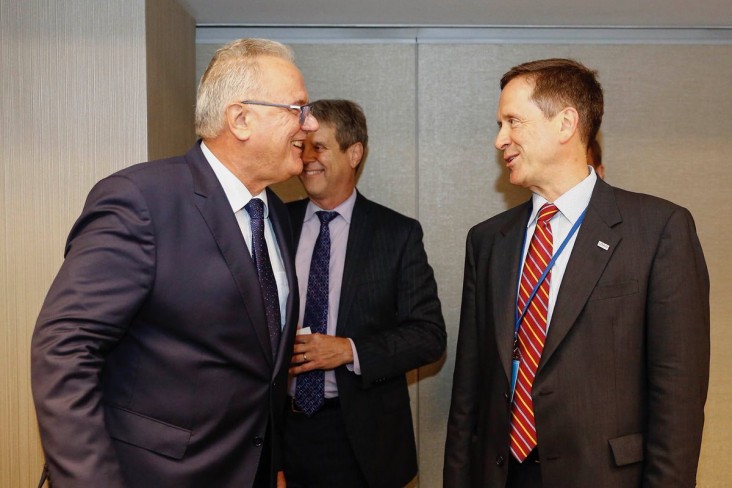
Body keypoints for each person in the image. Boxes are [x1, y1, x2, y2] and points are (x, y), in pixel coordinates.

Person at [31, 38, 318, 488]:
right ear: (240, 119)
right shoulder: (141, 200)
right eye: (297, 108)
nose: (311, 122)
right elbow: (65, 352)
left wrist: (273, 463)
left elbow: (260, 366)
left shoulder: (275, 211)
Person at [444, 58, 709, 488]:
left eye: (513, 121)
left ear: (565, 123)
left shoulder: (659, 229)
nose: (499, 140)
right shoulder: (489, 240)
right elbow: (468, 394)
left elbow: (677, 397)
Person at [284, 99, 447, 487]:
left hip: (362, 439)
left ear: (353, 152)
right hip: (281, 433)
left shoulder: (396, 234)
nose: (307, 158)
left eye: (318, 146)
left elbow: (429, 336)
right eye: (300, 145)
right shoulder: (273, 223)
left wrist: (347, 350)